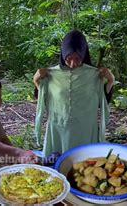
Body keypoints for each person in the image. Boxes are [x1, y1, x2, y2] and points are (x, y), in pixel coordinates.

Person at [33, 29, 115, 157]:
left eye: (77, 58)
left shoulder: (94, 75)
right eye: (69, 58)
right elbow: (42, 97)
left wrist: (110, 80)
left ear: (83, 55)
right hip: (59, 126)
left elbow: (103, 99)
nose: (73, 63)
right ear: (63, 55)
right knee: (58, 161)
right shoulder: (51, 75)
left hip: (85, 128)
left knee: (85, 163)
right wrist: (36, 80)